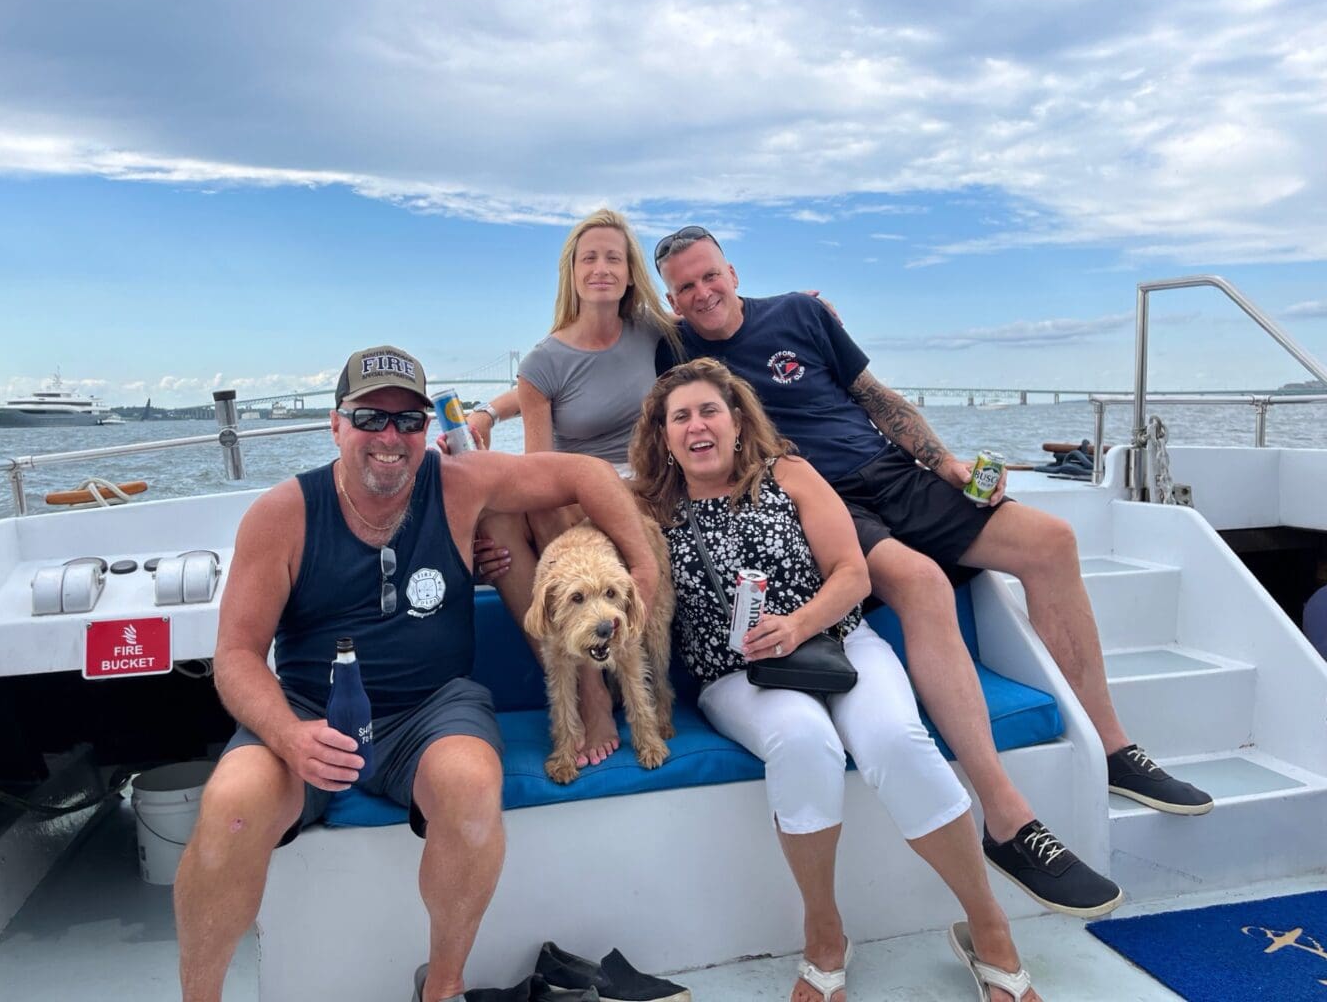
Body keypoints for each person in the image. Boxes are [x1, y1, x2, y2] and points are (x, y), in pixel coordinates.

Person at [652, 225, 1213, 917]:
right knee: (918, 582)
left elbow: (877, 397)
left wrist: (943, 461)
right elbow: (605, 365)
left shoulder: (801, 313)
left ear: (732, 272)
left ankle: (1112, 745)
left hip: (894, 472)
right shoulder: (673, 349)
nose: (702, 292)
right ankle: (1006, 819)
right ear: (671, 301)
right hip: (825, 502)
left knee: (1053, 541)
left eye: (710, 276)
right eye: (685, 286)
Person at [173, 345, 659, 1002]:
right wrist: (289, 736)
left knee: (470, 789)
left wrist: (643, 568)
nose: (390, 438)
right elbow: (234, 656)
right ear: (336, 424)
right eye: (370, 418)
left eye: (409, 421)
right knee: (230, 812)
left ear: (428, 429)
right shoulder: (282, 515)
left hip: (433, 708)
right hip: (307, 710)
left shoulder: (459, 486)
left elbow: (583, 475)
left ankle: (443, 988)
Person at [630, 359, 1038, 1002]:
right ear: (663, 438)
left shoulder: (788, 473)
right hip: (735, 673)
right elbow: (566, 509)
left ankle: (987, 923)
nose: (696, 425)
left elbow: (852, 572)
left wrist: (795, 625)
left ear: (737, 421)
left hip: (839, 642)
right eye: (679, 417)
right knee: (802, 741)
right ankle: (824, 931)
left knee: (896, 741)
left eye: (709, 410)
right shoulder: (649, 505)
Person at [469, 208, 681, 768]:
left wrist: (798, 308)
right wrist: (491, 410)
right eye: (590, 258)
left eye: (614, 257)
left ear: (631, 272)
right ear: (572, 272)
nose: (602, 268)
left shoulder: (653, 333)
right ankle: (589, 692)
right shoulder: (543, 360)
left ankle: (607, 682)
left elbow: (721, 321)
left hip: (639, 490)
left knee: (536, 508)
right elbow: (542, 469)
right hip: (573, 499)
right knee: (508, 513)